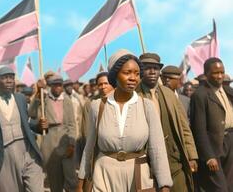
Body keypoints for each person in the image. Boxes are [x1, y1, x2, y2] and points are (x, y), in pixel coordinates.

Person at [77, 49, 172, 192]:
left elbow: (157, 149)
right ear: (115, 75)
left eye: (136, 73)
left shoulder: (147, 107)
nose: (133, 78)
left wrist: (164, 185)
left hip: (139, 178)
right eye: (127, 73)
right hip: (104, 176)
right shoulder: (98, 107)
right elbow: (89, 148)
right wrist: (80, 183)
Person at [136, 53, 198, 192]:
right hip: (147, 164)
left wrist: (191, 155)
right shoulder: (134, 95)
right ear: (139, 70)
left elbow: (184, 126)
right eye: (147, 68)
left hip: (175, 162)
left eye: (155, 68)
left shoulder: (168, 94)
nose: (152, 71)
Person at [190, 57, 233, 192]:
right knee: (219, 188)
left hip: (230, 143)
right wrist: (209, 156)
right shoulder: (200, 95)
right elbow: (199, 129)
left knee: (230, 185)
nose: (220, 76)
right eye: (215, 73)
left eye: (222, 72)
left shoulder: (228, 91)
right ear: (206, 74)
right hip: (214, 147)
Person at [29, 74, 78, 192]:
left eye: (59, 85)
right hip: (49, 141)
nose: (57, 88)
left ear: (62, 86)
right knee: (55, 180)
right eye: (54, 85)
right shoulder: (43, 98)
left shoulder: (67, 100)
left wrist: (71, 144)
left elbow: (72, 124)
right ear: (50, 86)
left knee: (71, 178)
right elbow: (31, 113)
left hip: (65, 140)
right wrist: (38, 92)